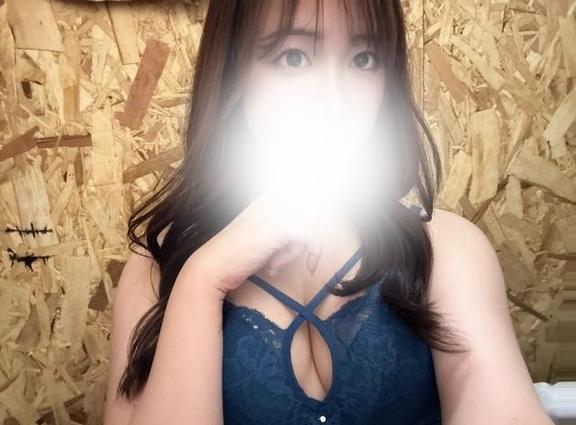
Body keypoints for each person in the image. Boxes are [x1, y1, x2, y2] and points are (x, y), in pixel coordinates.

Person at [103, 1, 554, 424]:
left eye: (363, 59)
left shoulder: (448, 252)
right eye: (294, 57)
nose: (334, 102)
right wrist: (202, 280)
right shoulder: (157, 271)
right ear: (232, 72)